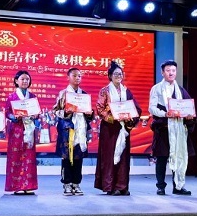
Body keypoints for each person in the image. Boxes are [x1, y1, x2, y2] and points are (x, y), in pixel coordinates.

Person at [149, 60, 197, 195]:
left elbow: (189, 107)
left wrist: (189, 115)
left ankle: (178, 186)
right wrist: (165, 114)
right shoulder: (157, 88)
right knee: (162, 158)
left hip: (179, 129)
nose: (171, 73)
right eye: (168, 70)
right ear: (162, 72)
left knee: (179, 156)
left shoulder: (180, 90)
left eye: (173, 70)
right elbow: (152, 108)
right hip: (164, 128)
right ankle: (161, 186)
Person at [94, 62, 140, 196]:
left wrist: (129, 118)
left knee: (123, 158)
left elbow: (135, 108)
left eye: (120, 74)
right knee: (109, 157)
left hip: (123, 128)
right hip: (109, 129)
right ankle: (110, 186)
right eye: (115, 74)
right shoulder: (105, 91)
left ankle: (122, 186)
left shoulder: (127, 91)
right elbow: (100, 109)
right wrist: (113, 117)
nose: (118, 76)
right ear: (110, 76)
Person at [53, 67, 93, 196]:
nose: (77, 78)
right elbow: (55, 111)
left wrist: (89, 114)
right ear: (68, 77)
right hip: (67, 129)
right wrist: (66, 112)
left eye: (79, 76)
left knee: (78, 157)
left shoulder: (84, 95)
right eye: (74, 75)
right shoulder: (63, 94)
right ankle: (67, 183)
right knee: (67, 157)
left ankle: (76, 183)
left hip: (80, 130)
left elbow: (89, 114)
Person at [4, 70, 40, 194]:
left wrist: (35, 115)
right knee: (16, 156)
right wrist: (14, 117)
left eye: (27, 79)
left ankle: (28, 186)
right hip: (16, 130)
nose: (25, 81)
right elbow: (7, 112)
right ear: (16, 81)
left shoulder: (33, 97)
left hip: (29, 128)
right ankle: (16, 186)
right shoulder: (11, 97)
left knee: (29, 156)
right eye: (22, 79)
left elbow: (37, 112)